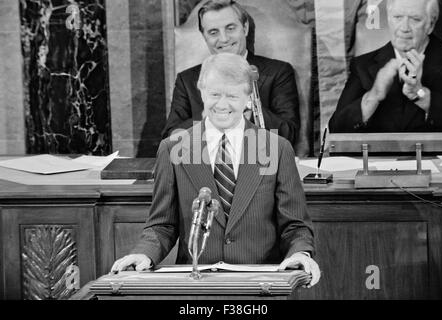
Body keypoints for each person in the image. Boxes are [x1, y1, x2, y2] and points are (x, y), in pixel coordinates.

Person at [112, 53, 320, 287]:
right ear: (201, 91)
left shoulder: (278, 148)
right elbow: (162, 224)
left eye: (232, 95)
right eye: (214, 94)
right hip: (197, 285)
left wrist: (300, 254)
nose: (222, 104)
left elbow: (295, 225)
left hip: (260, 283)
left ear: (248, 97)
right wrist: (144, 253)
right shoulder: (173, 148)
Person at [162, 0, 301, 147]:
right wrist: (207, 118)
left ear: (245, 28)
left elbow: (289, 134)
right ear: (204, 37)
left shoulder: (278, 73)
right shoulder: (187, 80)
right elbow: (170, 138)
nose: (224, 39)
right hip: (204, 166)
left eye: (230, 28)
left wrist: (249, 109)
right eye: (213, 32)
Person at [329, 0, 442, 133]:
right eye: (397, 17)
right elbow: (336, 130)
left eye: (415, 19)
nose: (404, 28)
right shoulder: (363, 65)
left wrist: (421, 95)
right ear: (389, 19)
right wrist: (373, 96)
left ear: (430, 25)